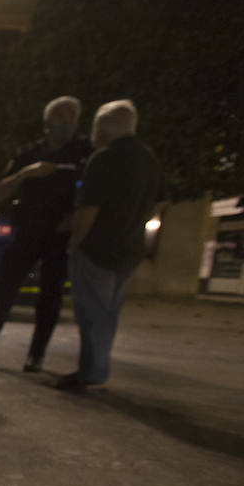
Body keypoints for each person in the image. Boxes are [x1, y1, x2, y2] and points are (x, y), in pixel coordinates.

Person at [0, 96, 94, 370]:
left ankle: (35, 356)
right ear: (47, 122)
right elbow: (0, 191)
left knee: (50, 297)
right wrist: (26, 174)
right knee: (4, 288)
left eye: (72, 117)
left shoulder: (85, 152)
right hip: (27, 231)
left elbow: (95, 193)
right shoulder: (30, 154)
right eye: (61, 117)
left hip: (60, 235)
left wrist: (75, 220)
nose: (67, 123)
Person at [55, 99, 161, 392]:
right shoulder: (148, 159)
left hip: (98, 249)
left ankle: (89, 372)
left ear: (100, 130)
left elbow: (89, 208)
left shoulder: (104, 159)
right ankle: (97, 370)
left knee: (91, 314)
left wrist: (76, 242)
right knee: (108, 314)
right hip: (129, 249)